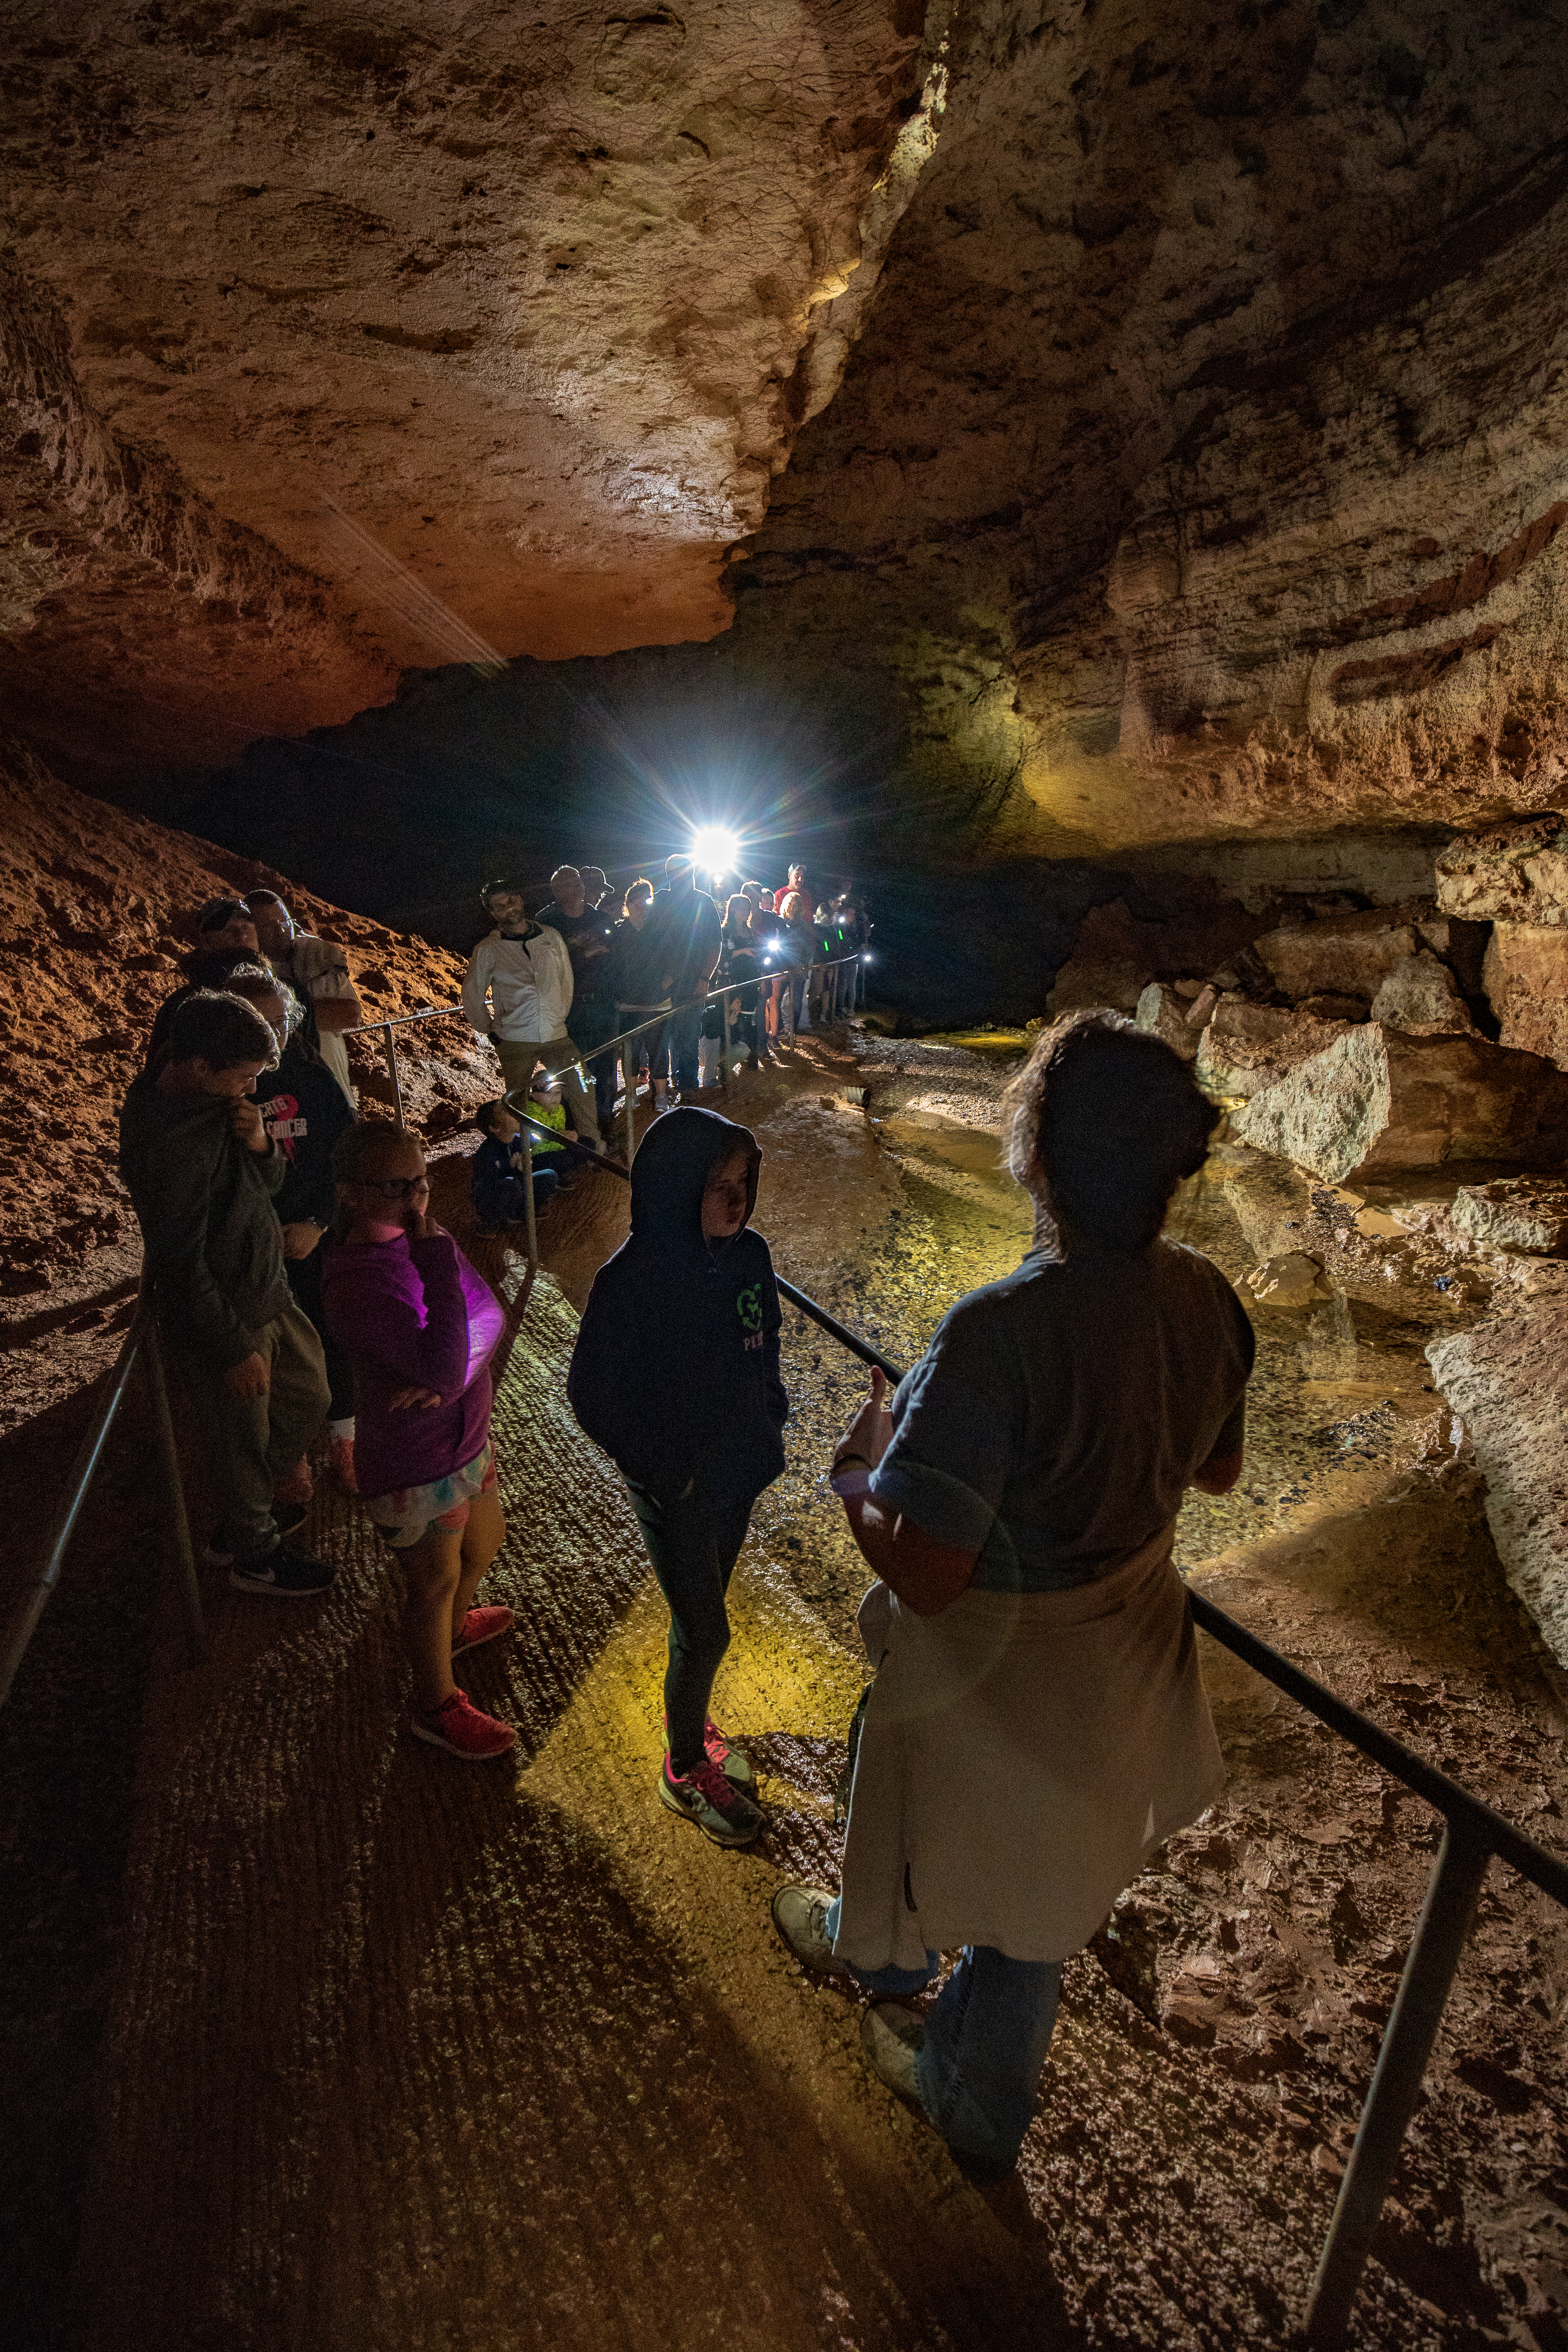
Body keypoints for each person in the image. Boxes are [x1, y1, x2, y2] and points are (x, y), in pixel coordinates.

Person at [771, 1011, 1255, 2183]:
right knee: (1048, 1875)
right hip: (1125, 1640)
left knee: (965, 1842)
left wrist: (852, 1474)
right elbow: (1218, 1467)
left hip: (1004, 1655)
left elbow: (928, 1572)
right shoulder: (1206, 1296)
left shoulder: (997, 1332)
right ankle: (884, 1960)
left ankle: (958, 2084)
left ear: (1033, 1151)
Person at [567, 1108, 788, 1846]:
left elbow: (765, 1339)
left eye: (743, 1183)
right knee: (707, 1625)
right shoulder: (630, 1282)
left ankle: (686, 1710)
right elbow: (593, 1395)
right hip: (678, 1485)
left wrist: (771, 1412)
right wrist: (660, 1471)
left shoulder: (750, 1256)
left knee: (703, 1610)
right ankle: (685, 1762)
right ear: (671, 1187)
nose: (735, 1200)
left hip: (738, 1471)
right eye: (715, 1185)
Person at [119, 990, 334, 1595]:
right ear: (195, 1066)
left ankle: (249, 1518)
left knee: (309, 1396)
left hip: (265, 1286)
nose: (250, 1088)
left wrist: (260, 1144)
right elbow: (180, 1261)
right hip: (231, 1314)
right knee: (242, 1439)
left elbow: (266, 1186)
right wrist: (232, 1348)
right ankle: (254, 1556)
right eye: (241, 1076)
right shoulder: (169, 1146)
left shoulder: (217, 1108)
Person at [322, 1123, 516, 1761]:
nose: (416, 1200)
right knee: (432, 1581)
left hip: (464, 1436)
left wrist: (447, 1382)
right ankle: (434, 1705)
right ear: (349, 1194)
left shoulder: (428, 1240)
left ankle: (453, 1632)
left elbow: (489, 1314)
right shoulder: (357, 1283)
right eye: (395, 1187)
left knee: (486, 1543)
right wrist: (448, 1367)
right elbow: (451, 1348)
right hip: (411, 1463)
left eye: (422, 1183)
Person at [224, 965, 361, 1493]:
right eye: (263, 1021)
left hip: (311, 1233)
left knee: (331, 1335)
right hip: (255, 1245)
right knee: (277, 1354)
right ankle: (291, 1452)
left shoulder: (310, 1074)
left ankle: (344, 1440)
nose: (277, 1033)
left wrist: (319, 1222)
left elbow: (343, 1151)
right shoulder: (227, 1088)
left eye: (283, 1020)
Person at [461, 878, 600, 1150]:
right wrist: (489, 1030)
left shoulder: (550, 937)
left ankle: (591, 1145)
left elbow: (565, 980)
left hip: (556, 1033)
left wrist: (560, 1013)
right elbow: (472, 994)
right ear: (492, 913)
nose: (507, 909)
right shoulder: (488, 950)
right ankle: (526, 1154)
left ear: (520, 900)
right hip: (514, 1039)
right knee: (519, 1100)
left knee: (582, 1084)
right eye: (499, 906)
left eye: (511, 900)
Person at [245, 889, 364, 1106]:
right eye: (268, 926)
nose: (281, 930)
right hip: (275, 1100)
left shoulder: (315, 957)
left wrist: (274, 1014)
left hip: (331, 1091)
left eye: (285, 921)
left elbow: (349, 1014)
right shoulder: (245, 973)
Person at [534, 865, 617, 1135]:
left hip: (603, 1005)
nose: (567, 890)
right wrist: (586, 954)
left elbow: (615, 959)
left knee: (604, 1068)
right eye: (560, 886)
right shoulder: (546, 924)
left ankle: (604, 1126)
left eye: (572, 884)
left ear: (581, 886)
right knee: (572, 1070)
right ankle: (575, 1130)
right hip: (567, 1007)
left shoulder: (601, 920)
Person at [606, 878, 675, 1118]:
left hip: (657, 1002)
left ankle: (661, 1094)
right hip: (628, 1003)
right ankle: (632, 1093)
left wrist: (668, 980)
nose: (641, 905)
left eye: (646, 900)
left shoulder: (660, 929)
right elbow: (611, 965)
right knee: (630, 1052)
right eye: (636, 900)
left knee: (658, 1050)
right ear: (628, 903)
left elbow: (675, 957)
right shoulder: (619, 932)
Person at [653, 857, 722, 1098]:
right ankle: (664, 1084)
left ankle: (688, 1084)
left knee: (688, 1035)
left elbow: (716, 945)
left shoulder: (704, 901)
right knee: (663, 1037)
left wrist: (705, 978)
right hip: (663, 984)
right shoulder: (661, 900)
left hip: (693, 981)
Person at [471, 1096, 563, 1228]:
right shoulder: (487, 1152)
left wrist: (525, 1166)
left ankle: (520, 1212)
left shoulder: (520, 1141)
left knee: (549, 1175)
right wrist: (510, 1166)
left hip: (517, 1186)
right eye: (507, 1112)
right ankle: (494, 1221)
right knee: (511, 1185)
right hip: (495, 1196)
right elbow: (486, 1185)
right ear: (495, 1128)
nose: (515, 1113)